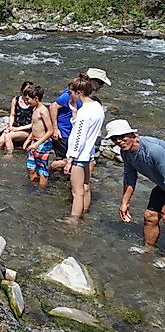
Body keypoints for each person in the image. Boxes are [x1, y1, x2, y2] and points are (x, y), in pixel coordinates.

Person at [109, 119, 165, 252]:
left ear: (132, 135)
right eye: (114, 139)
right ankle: (148, 251)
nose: (118, 141)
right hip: (162, 185)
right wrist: (124, 203)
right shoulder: (125, 152)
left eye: (121, 137)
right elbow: (130, 177)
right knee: (150, 216)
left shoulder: (153, 151)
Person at [63, 74, 104, 222]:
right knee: (86, 187)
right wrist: (74, 112)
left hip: (79, 156)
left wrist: (70, 160)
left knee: (77, 192)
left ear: (78, 93)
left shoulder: (85, 112)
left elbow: (79, 137)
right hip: (89, 154)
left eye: (71, 92)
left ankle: (73, 220)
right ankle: (84, 214)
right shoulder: (97, 107)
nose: (70, 95)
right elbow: (87, 130)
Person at [22, 85, 53, 190]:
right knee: (31, 167)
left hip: (42, 143)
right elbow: (35, 127)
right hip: (34, 141)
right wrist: (28, 140)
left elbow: (50, 131)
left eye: (28, 99)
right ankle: (33, 186)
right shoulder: (35, 108)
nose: (26, 101)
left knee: (42, 168)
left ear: (36, 98)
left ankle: (41, 190)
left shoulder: (43, 111)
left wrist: (37, 144)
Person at [0, 81, 34, 152]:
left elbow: (33, 124)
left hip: (26, 130)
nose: (26, 95)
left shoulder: (32, 104)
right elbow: (12, 115)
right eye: (25, 92)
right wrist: (10, 127)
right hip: (14, 127)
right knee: (0, 141)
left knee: (8, 136)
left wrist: (17, 129)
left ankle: (9, 155)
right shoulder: (16, 100)